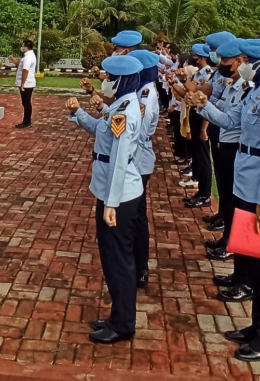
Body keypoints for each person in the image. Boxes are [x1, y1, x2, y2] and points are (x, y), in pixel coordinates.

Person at [186, 37, 260, 362]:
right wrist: (204, 106)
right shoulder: (254, 91)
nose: (240, 64)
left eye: (245, 59)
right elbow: (231, 122)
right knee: (252, 263)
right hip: (246, 186)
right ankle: (256, 327)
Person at [66, 55, 144, 344]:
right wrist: (78, 113)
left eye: (110, 78)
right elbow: (101, 131)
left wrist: (111, 203)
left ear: (122, 80)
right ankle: (118, 315)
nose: (106, 82)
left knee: (119, 260)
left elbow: (121, 158)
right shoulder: (120, 106)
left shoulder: (126, 111)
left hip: (120, 195)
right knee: (112, 258)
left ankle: (124, 323)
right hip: (112, 190)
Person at [194, 39, 255, 301]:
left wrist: (204, 107)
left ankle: (245, 279)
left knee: (242, 214)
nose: (222, 65)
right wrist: (202, 104)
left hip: (243, 158)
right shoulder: (237, 87)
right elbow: (226, 115)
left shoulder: (251, 89)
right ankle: (238, 274)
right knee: (231, 203)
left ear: (240, 62)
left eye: (226, 61)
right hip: (231, 149)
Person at [200, 31, 238, 249]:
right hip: (220, 131)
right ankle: (223, 215)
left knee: (230, 188)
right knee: (223, 182)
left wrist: (202, 103)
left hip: (232, 141)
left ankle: (228, 234)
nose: (215, 56)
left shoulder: (236, 81)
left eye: (220, 54)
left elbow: (218, 103)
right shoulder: (220, 74)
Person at [127, 49, 160, 289]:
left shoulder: (146, 96)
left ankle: (140, 267)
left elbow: (137, 133)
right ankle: (137, 264)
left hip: (139, 160)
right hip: (138, 158)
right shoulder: (140, 92)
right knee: (135, 214)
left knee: (137, 216)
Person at [173, 43, 214, 208]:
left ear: (202, 57)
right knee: (197, 155)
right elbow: (188, 94)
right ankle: (201, 192)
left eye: (196, 56)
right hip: (195, 116)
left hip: (203, 117)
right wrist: (180, 82)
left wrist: (204, 128)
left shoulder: (209, 74)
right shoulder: (199, 73)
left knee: (203, 158)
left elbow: (205, 99)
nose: (193, 58)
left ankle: (205, 194)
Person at [8, 40, 37, 129]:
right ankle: (26, 121)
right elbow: (20, 64)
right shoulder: (28, 56)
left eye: (22, 46)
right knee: (25, 102)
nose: (22, 47)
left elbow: (25, 70)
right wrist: (13, 60)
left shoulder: (28, 57)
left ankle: (26, 122)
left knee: (26, 102)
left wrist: (23, 84)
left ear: (26, 47)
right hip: (27, 83)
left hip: (27, 84)